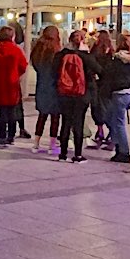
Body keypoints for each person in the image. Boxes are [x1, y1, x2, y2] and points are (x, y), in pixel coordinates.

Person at [98, 32, 130, 164]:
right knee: (110, 117)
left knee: (118, 122)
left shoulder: (118, 59)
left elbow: (109, 75)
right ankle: (117, 144)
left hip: (119, 92)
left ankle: (123, 151)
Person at [55, 30, 99, 163]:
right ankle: (78, 155)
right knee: (78, 122)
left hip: (64, 93)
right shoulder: (86, 55)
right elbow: (99, 70)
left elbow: (54, 71)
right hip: (82, 93)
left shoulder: (61, 54)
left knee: (65, 122)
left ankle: (62, 154)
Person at [0, 25, 28, 146]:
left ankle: (2, 135)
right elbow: (23, 66)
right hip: (12, 85)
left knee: (1, 112)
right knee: (12, 111)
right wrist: (16, 75)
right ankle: (11, 136)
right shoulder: (16, 50)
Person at [29, 25, 63, 154]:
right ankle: (52, 145)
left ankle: (36, 143)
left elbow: (35, 65)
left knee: (42, 115)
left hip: (42, 85)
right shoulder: (56, 52)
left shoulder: (37, 50)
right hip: (54, 87)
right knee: (55, 117)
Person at [87, 30, 116, 149]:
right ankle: (111, 132)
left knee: (96, 106)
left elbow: (91, 64)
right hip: (108, 83)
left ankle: (100, 131)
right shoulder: (112, 52)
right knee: (107, 106)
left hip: (96, 82)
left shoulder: (95, 50)